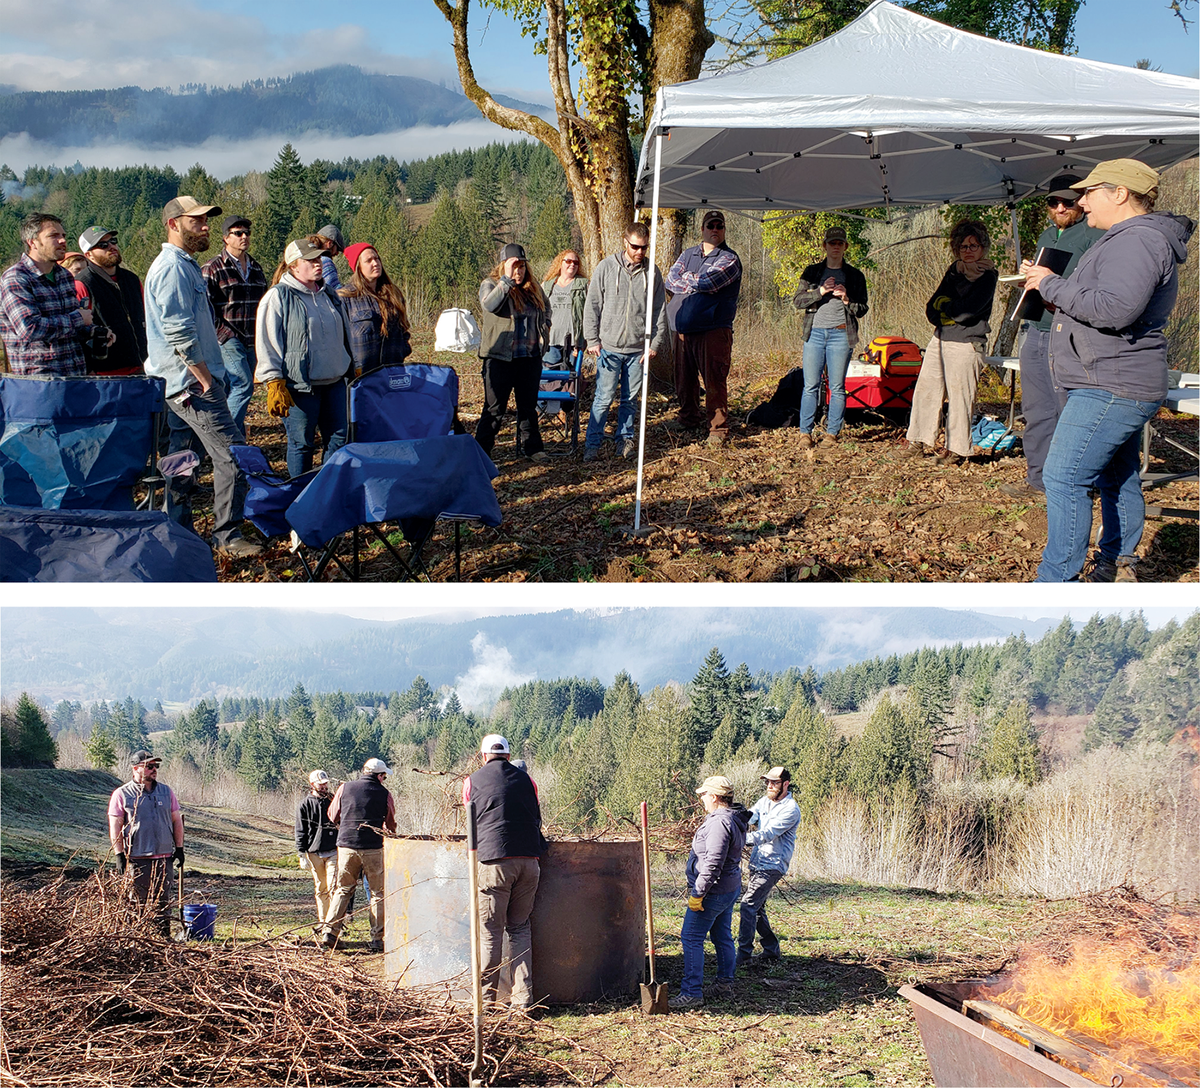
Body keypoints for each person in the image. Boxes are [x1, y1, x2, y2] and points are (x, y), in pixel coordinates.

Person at [1022, 159, 1193, 583]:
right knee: (1118, 474)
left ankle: (1057, 580)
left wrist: (1049, 283)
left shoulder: (1137, 241)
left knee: (1062, 478)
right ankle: (1115, 563)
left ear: (1119, 193)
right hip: (1112, 377)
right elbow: (1106, 301)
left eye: (1089, 192)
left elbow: (1116, 309)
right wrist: (1058, 300)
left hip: (1112, 384)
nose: (1081, 201)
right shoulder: (1128, 238)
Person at [144, 196, 262, 558]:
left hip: (184, 384)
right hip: (191, 386)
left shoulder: (186, 266)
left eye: (206, 220)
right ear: (173, 224)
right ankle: (227, 536)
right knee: (233, 457)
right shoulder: (172, 269)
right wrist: (206, 378)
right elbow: (178, 331)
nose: (205, 226)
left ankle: (177, 531)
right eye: (196, 221)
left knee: (182, 460)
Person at [1001, 175, 1105, 501]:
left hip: (1070, 334)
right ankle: (1037, 481)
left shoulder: (1094, 233)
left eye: (1068, 202)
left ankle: (1074, 485)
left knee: (1068, 411)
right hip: (1036, 329)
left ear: (1081, 202)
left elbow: (1095, 290)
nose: (1060, 208)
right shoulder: (1047, 234)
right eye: (1053, 202)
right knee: (1036, 410)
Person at [900, 220, 998, 466]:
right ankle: (918, 441)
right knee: (926, 391)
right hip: (939, 340)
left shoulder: (988, 275)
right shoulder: (954, 271)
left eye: (974, 245)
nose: (968, 250)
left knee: (960, 398)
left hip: (967, 344)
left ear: (983, 247)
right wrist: (947, 309)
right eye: (963, 246)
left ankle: (957, 450)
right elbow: (931, 308)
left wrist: (946, 308)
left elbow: (970, 311)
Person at [255, 237, 354, 477]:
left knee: (340, 438)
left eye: (319, 258)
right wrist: (273, 381)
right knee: (302, 444)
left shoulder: (329, 294)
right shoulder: (278, 297)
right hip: (300, 387)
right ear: (293, 266)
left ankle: (324, 488)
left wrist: (353, 365)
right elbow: (267, 340)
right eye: (310, 260)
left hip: (334, 383)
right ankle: (299, 495)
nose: (317, 264)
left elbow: (346, 333)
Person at [462, 733, 547, 1010]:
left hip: (493, 862)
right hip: (529, 862)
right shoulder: (528, 780)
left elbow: (470, 824)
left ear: (483, 755)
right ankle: (523, 1001)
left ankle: (486, 1002)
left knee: (490, 932)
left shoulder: (471, 781)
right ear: (509, 756)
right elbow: (536, 817)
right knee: (520, 928)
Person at [581, 225, 669, 461]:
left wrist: (654, 344)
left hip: (637, 350)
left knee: (630, 400)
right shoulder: (606, 267)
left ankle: (625, 441)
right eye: (635, 247)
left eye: (644, 247)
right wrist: (592, 339)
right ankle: (592, 444)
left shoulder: (652, 272)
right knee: (603, 398)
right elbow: (593, 305)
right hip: (608, 348)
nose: (639, 252)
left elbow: (659, 309)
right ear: (625, 243)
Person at [670, 775, 751, 1009]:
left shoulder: (719, 823)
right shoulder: (733, 818)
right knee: (721, 935)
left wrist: (698, 893)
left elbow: (713, 863)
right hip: (728, 887)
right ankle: (724, 983)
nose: (702, 798)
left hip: (713, 891)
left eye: (704, 794)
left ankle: (692, 992)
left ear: (714, 797)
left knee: (691, 937)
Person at [665, 210, 743, 448]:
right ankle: (688, 417)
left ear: (724, 230)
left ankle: (717, 429)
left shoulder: (729, 258)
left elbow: (709, 282)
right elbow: (670, 280)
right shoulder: (688, 253)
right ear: (702, 229)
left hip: (713, 329)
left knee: (714, 380)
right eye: (711, 225)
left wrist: (688, 281)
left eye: (719, 226)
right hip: (682, 329)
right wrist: (694, 281)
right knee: (684, 378)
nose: (715, 229)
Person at [791, 226, 870, 450]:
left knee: (837, 387)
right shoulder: (812, 272)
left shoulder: (855, 276)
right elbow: (797, 301)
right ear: (824, 246)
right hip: (814, 334)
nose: (835, 247)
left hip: (841, 335)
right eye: (831, 243)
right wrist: (821, 292)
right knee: (810, 386)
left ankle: (831, 434)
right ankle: (805, 433)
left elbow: (862, 308)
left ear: (845, 247)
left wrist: (847, 300)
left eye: (839, 243)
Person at [474, 244, 552, 464]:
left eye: (522, 266)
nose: (519, 271)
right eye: (514, 266)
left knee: (528, 405)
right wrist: (506, 281)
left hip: (529, 356)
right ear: (504, 266)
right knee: (494, 408)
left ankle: (533, 448)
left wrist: (546, 325)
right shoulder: (490, 284)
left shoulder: (533, 287)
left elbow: (546, 308)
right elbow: (490, 306)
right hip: (500, 357)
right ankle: (481, 453)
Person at [0, 212, 93, 375]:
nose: (63, 240)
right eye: (53, 236)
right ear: (32, 242)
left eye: (63, 235)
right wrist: (79, 318)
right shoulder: (16, 278)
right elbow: (30, 328)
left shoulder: (64, 275)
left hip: (75, 376)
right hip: (41, 383)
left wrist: (93, 331)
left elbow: (71, 326)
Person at [320, 757, 396, 953]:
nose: (384, 779)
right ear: (379, 775)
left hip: (346, 845)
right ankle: (377, 940)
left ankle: (330, 932)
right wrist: (390, 833)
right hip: (373, 847)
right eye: (384, 776)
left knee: (343, 889)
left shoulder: (344, 788)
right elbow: (390, 821)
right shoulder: (385, 794)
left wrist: (345, 825)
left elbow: (332, 814)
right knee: (378, 893)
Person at [107, 750, 185, 937]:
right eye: (149, 766)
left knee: (163, 901)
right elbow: (115, 827)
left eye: (155, 766)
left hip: (164, 857)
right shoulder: (122, 794)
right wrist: (119, 855)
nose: (154, 770)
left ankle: (163, 939)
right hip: (137, 858)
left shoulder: (166, 792)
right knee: (137, 902)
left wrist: (179, 849)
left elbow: (176, 821)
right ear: (136, 768)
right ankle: (137, 938)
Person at [202, 215, 268, 432]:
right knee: (243, 385)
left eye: (247, 233)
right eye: (238, 233)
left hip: (252, 338)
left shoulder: (256, 268)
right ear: (225, 238)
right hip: (227, 338)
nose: (244, 237)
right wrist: (221, 334)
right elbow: (204, 306)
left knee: (233, 387)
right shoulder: (213, 268)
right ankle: (227, 436)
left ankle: (232, 440)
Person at [737, 767, 801, 968]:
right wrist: (733, 820)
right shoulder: (764, 801)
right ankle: (771, 949)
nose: (770, 786)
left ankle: (744, 955)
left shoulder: (790, 809)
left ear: (785, 784)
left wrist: (736, 839)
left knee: (747, 905)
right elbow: (751, 816)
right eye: (767, 782)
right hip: (757, 862)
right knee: (757, 908)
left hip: (773, 865)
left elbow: (767, 834)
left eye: (774, 783)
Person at [76, 226, 147, 376]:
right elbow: (78, 331)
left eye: (113, 241)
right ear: (89, 255)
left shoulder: (132, 279)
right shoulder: (82, 283)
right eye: (103, 245)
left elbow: (145, 318)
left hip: (143, 365)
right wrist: (89, 370)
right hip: (106, 373)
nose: (111, 247)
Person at [340, 242, 412, 375]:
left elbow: (404, 329)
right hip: (361, 377)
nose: (375, 263)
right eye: (368, 260)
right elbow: (339, 340)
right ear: (358, 266)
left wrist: (402, 350)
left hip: (392, 374)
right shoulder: (345, 298)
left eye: (377, 258)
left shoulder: (393, 294)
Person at [295, 769, 339, 926]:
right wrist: (301, 853)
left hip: (334, 850)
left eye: (325, 783)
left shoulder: (333, 799)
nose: (324, 786)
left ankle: (334, 923)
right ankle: (323, 922)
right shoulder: (305, 804)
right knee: (321, 889)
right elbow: (300, 830)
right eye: (320, 784)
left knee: (334, 888)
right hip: (314, 852)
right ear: (312, 784)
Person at [316, 225, 346, 290]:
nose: (337, 253)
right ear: (329, 244)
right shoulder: (325, 262)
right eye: (337, 249)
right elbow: (336, 291)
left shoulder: (307, 260)